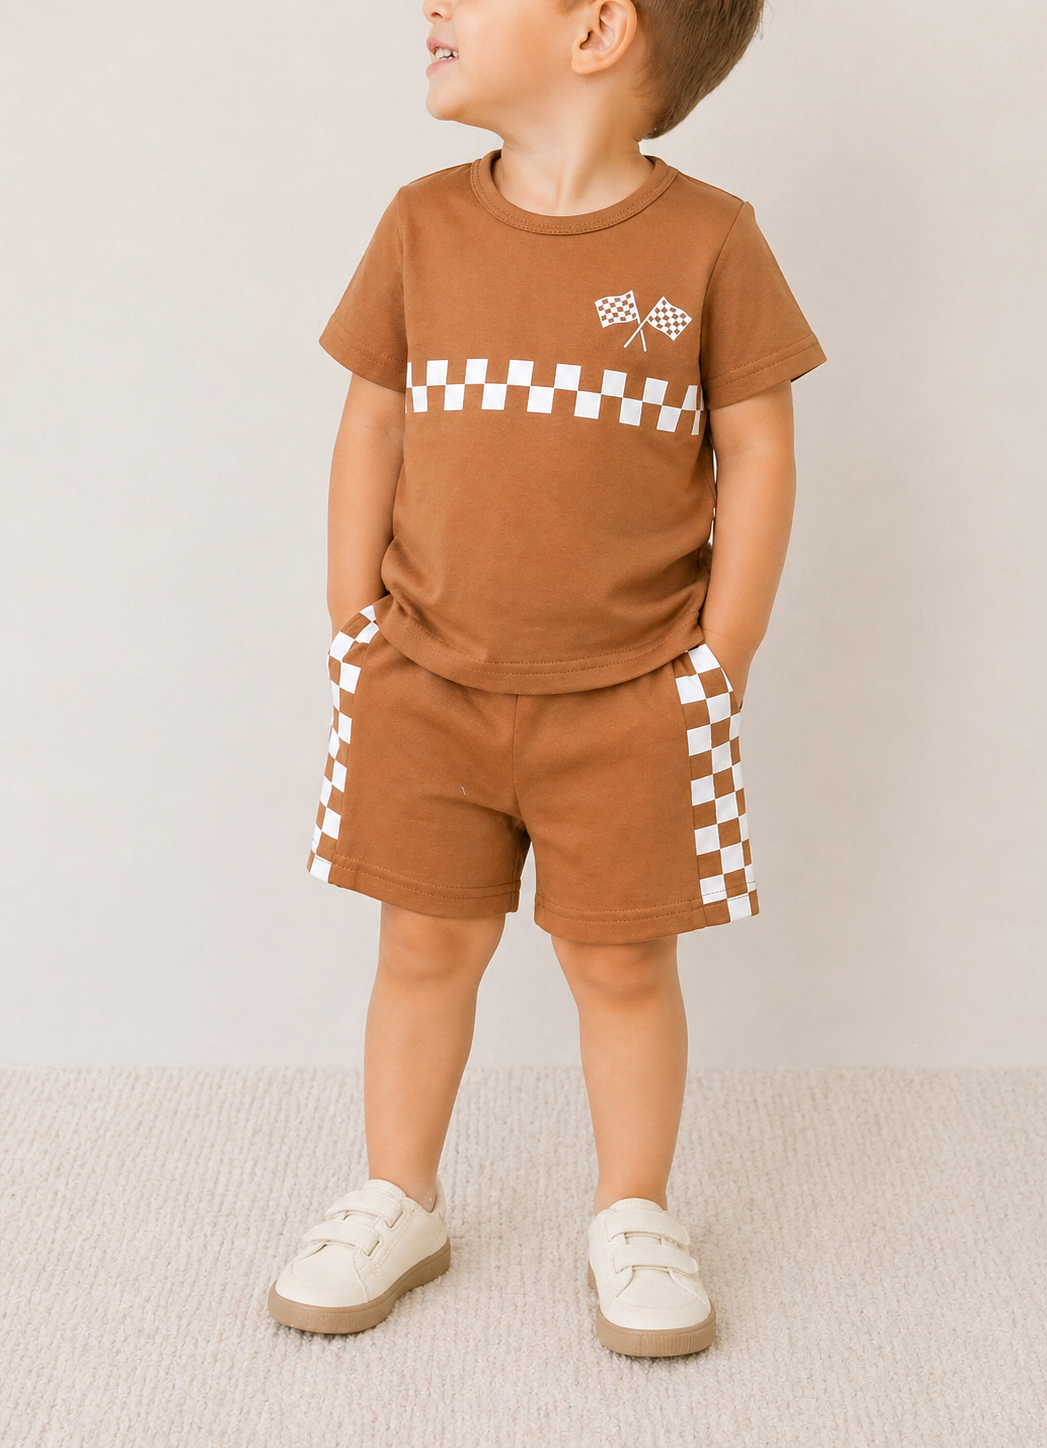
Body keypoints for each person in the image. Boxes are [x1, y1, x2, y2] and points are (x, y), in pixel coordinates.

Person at [268, 0, 825, 1357]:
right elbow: (373, 421)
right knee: (420, 943)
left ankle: (632, 1210)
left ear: (595, 31)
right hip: (425, 686)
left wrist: (720, 656)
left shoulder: (708, 243)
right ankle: (398, 1192)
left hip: (634, 695)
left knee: (621, 960)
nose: (433, 8)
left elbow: (754, 449)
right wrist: (354, 626)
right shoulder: (421, 225)